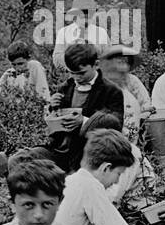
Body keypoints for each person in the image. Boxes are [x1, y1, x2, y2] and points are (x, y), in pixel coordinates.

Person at [55, 129, 145, 225]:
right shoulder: (91, 186)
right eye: (118, 174)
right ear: (106, 168)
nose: (116, 182)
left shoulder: (72, 181)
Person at [45, 42, 128, 173]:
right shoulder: (66, 87)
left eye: (81, 73)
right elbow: (56, 122)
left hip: (90, 153)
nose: (77, 78)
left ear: (96, 64)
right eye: (72, 73)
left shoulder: (111, 91)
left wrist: (84, 121)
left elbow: (116, 124)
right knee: (22, 159)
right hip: (61, 151)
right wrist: (53, 107)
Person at [99, 45, 153, 137]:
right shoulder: (101, 86)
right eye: (119, 62)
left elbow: (146, 103)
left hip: (133, 131)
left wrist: (143, 111)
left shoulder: (133, 82)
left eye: (126, 62)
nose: (123, 66)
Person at [51, 0, 105, 74]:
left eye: (89, 13)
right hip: (72, 76)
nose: (86, 17)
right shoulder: (64, 32)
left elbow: (109, 58)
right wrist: (73, 58)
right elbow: (57, 59)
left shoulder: (101, 33)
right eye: (82, 13)